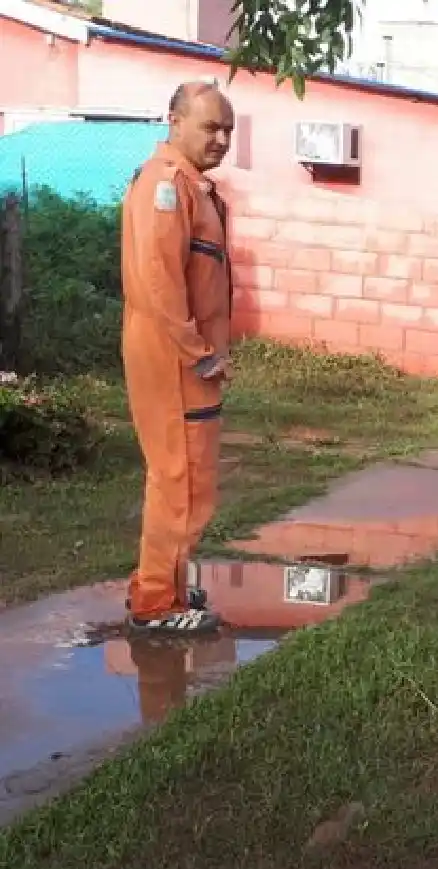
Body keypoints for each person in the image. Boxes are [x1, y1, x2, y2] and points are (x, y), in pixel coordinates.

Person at [121, 81, 235, 636]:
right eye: (210, 126)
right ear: (174, 120)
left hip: (190, 361)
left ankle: (165, 580)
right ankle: (156, 603)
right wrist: (198, 352)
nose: (221, 138)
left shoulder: (194, 187)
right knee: (178, 479)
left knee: (189, 476)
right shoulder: (166, 186)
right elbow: (158, 279)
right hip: (175, 361)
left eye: (228, 130)